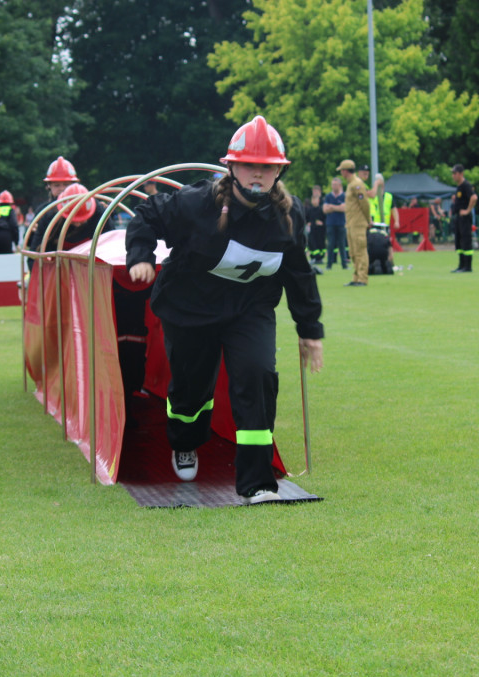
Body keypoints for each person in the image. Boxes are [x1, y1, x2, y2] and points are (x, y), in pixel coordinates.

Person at [125, 115, 324, 504]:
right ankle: (185, 442)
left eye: (267, 168)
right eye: (249, 165)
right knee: (190, 392)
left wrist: (310, 330)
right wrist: (141, 256)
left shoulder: (290, 215)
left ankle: (257, 482)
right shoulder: (196, 203)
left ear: (278, 172)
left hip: (250, 311)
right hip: (189, 311)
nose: (257, 174)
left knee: (257, 376)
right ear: (230, 167)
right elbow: (148, 214)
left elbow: (299, 273)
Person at [340, 159, 372, 287]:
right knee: (353, 252)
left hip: (358, 223)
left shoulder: (357, 184)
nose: (341, 173)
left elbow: (364, 204)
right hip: (351, 223)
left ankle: (362, 278)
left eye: (341, 171)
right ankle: (356, 277)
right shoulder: (350, 184)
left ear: (345, 171)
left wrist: (368, 220)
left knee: (360, 251)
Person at [450, 164, 477, 273]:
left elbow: (474, 197)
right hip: (458, 218)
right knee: (459, 241)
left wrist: (467, 210)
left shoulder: (466, 185)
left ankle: (467, 266)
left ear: (461, 174)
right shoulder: (459, 187)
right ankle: (461, 265)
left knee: (466, 240)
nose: (453, 176)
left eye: (455, 173)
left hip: (464, 218)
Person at [322, 176, 347, 269]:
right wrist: (338, 207)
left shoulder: (344, 196)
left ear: (340, 185)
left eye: (335, 184)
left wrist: (331, 207)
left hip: (341, 223)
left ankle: (344, 264)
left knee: (342, 244)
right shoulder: (328, 196)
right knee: (330, 245)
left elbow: (344, 208)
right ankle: (329, 265)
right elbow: (325, 210)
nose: (333, 186)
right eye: (332, 185)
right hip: (330, 224)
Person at [305, 185, 326, 268]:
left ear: (319, 200)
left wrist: (322, 223)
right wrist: (308, 223)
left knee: (320, 243)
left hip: (320, 230)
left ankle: (320, 258)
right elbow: (306, 218)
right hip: (312, 230)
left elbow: (325, 218)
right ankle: (314, 258)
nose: (314, 201)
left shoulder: (321, 209)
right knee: (312, 243)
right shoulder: (309, 209)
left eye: (315, 199)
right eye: (312, 199)